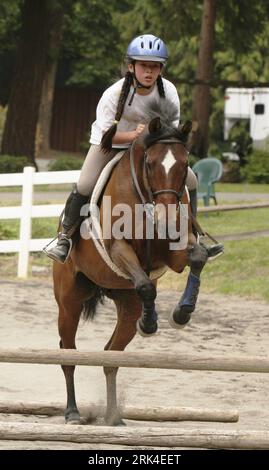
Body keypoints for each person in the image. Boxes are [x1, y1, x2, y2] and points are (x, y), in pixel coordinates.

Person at [44, 34, 223, 265]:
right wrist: (134, 136)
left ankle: (196, 237)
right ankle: (65, 238)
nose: (149, 72)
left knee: (192, 181)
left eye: (154, 67)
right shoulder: (113, 94)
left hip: (151, 150)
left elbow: (171, 135)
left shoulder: (169, 91)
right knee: (85, 184)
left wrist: (146, 140)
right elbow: (106, 136)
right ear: (131, 66)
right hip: (111, 144)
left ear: (161, 69)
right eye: (143, 66)